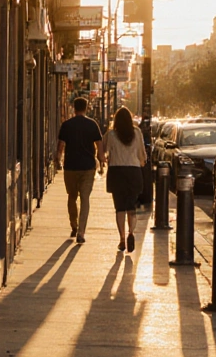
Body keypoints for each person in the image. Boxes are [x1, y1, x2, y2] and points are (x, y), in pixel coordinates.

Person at [55, 97, 104, 244]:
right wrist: (101, 163)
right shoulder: (92, 124)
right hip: (88, 167)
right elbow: (100, 145)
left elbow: (61, 146)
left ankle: (74, 225)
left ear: (74, 108)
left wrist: (58, 160)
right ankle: (81, 232)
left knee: (71, 196)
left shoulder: (66, 125)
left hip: (70, 167)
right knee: (85, 199)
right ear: (86, 107)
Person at [101, 106, 147, 253]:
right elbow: (142, 155)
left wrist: (104, 162)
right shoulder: (137, 132)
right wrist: (142, 162)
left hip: (117, 171)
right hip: (133, 171)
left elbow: (103, 151)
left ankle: (121, 238)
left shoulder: (111, 134)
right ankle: (131, 232)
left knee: (119, 207)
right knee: (132, 206)